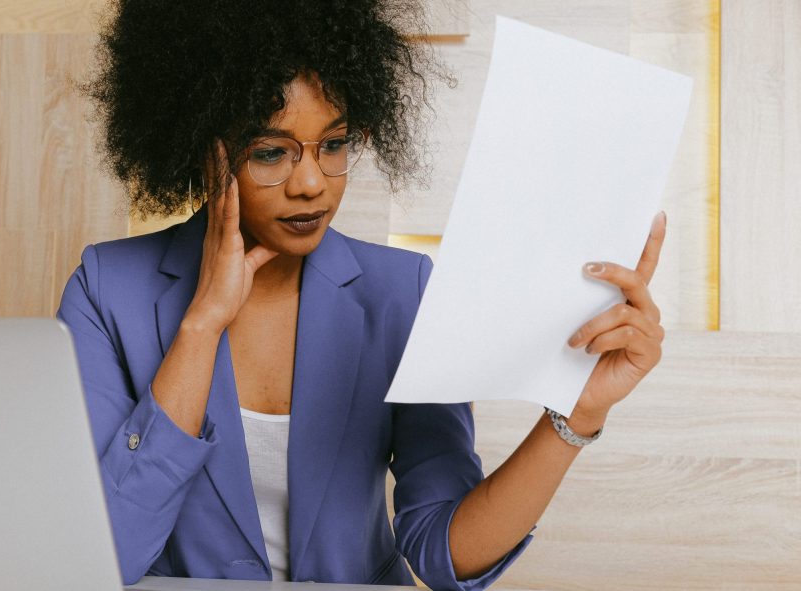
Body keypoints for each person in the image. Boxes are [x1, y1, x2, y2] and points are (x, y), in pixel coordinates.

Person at [56, 1, 667, 590]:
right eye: (270, 152)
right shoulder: (107, 291)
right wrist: (202, 326)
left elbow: (444, 553)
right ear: (203, 148)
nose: (312, 183)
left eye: (335, 144)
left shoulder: (401, 294)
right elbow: (106, 552)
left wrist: (575, 415)